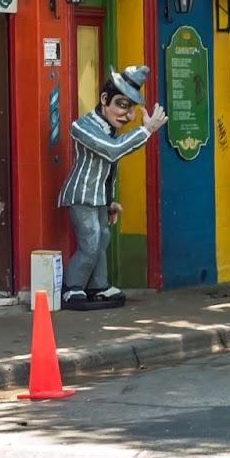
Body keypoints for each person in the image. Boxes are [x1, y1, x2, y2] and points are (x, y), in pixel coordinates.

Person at [58, 66, 168, 310]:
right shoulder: (82, 126)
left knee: (103, 238)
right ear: (104, 100)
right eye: (122, 105)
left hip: (98, 197)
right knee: (91, 241)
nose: (127, 115)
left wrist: (110, 201)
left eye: (130, 108)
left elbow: (109, 170)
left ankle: (98, 285)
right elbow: (111, 151)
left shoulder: (111, 130)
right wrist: (146, 130)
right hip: (82, 194)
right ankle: (71, 287)